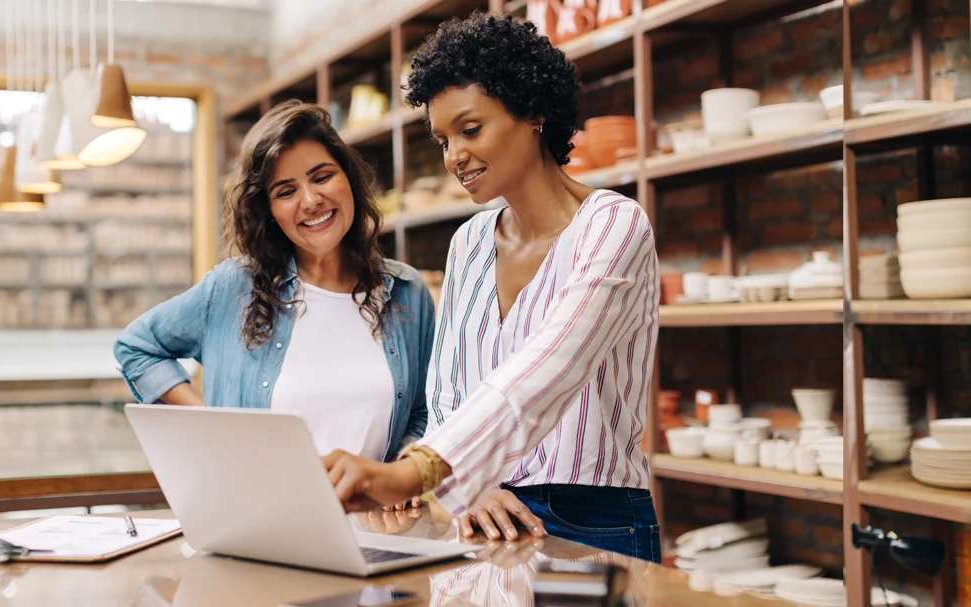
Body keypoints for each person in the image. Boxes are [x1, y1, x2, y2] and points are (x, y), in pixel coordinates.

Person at [322, 12, 661, 560]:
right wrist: (468, 487)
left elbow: (550, 369)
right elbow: (448, 391)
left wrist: (417, 472)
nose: (454, 155)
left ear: (533, 113)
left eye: (471, 129)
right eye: (442, 139)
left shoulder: (612, 225)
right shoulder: (470, 242)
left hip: (592, 520)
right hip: (482, 512)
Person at [114, 100, 435, 478]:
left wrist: (400, 471)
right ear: (267, 210)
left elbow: (423, 410)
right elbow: (136, 347)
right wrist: (212, 420)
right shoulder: (234, 288)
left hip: (377, 533)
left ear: (349, 178)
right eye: (285, 191)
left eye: (321, 177)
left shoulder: (406, 291)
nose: (311, 201)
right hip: (261, 526)